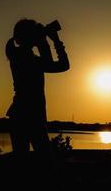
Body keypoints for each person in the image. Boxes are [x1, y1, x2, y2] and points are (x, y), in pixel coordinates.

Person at [5, 19, 70, 157]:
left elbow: (62, 66)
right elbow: (55, 64)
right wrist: (48, 40)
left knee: (23, 158)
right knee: (43, 159)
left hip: (21, 114)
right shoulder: (23, 57)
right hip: (30, 115)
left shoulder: (21, 55)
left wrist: (51, 40)